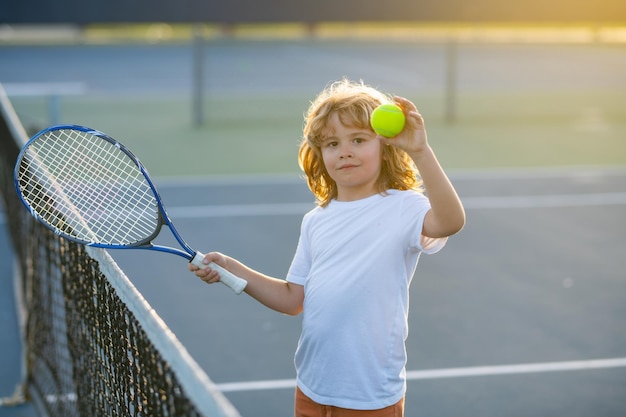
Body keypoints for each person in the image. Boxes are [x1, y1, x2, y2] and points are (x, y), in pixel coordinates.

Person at [190, 78, 465, 416]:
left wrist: (421, 152)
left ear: (386, 148)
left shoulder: (404, 207)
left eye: (359, 140)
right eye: (332, 143)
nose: (345, 150)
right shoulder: (316, 221)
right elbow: (294, 299)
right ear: (320, 154)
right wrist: (232, 268)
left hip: (369, 395)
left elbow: (450, 221)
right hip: (312, 387)